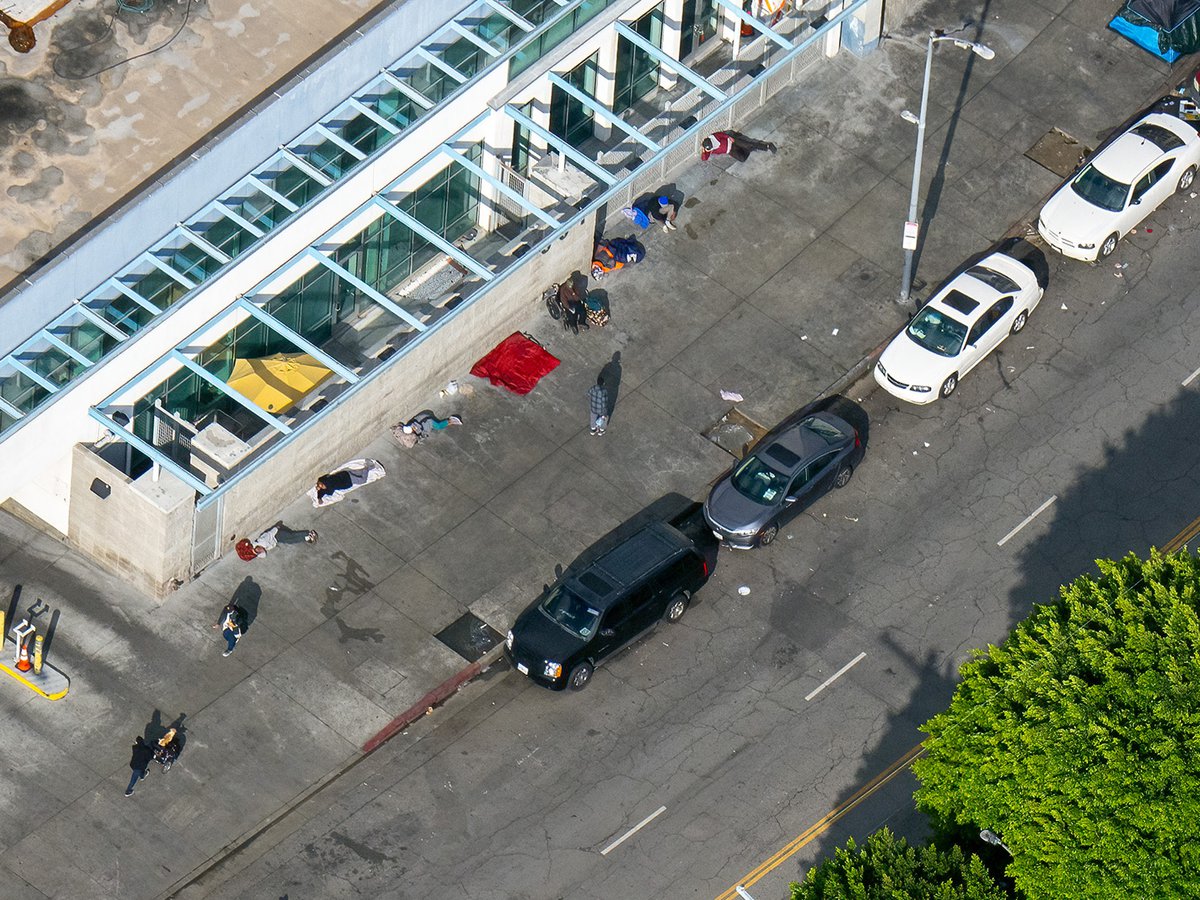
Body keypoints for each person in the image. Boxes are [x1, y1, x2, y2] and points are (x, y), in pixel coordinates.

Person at [238, 523, 318, 559]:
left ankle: (308, 534)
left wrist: (277, 527)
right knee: (290, 541)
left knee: (291, 536)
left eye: (258, 550)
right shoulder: (260, 550)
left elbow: (270, 533)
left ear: (255, 547)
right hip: (276, 539)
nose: (260, 551)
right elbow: (263, 555)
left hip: (277, 534)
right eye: (259, 552)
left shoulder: (262, 541)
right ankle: (306, 537)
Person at [700, 130, 777, 162]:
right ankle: (748, 149)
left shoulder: (714, 136)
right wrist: (704, 151)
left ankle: (767, 146)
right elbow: (704, 158)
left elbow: (722, 135)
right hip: (730, 151)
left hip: (732, 142)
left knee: (749, 144)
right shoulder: (709, 150)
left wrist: (729, 137)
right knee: (742, 159)